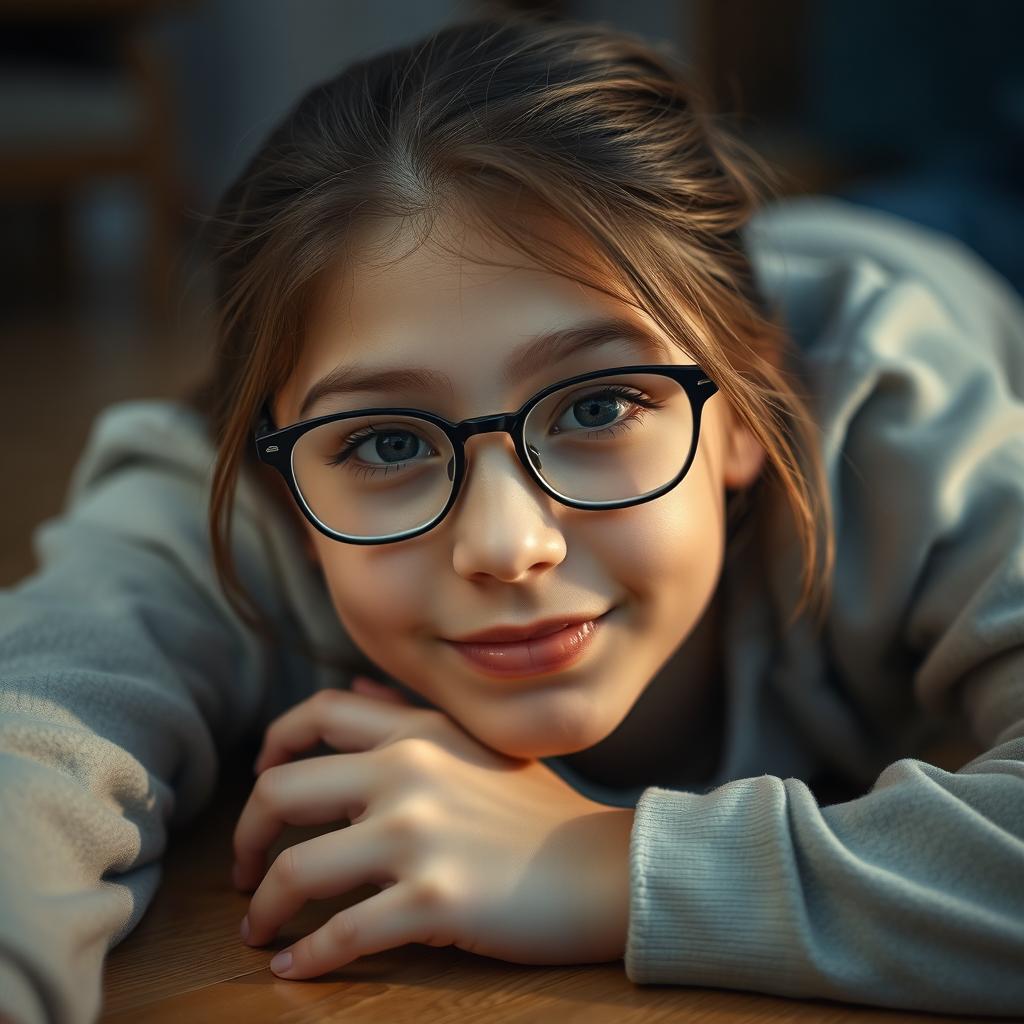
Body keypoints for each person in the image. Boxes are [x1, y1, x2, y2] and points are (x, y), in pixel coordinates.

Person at [2, 10, 1023, 1023]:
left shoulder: (895, 419)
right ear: (276, 478)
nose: (506, 545)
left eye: (598, 405)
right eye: (388, 443)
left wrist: (612, 867)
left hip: (937, 254)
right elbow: (33, 740)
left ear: (745, 416)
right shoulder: (229, 494)